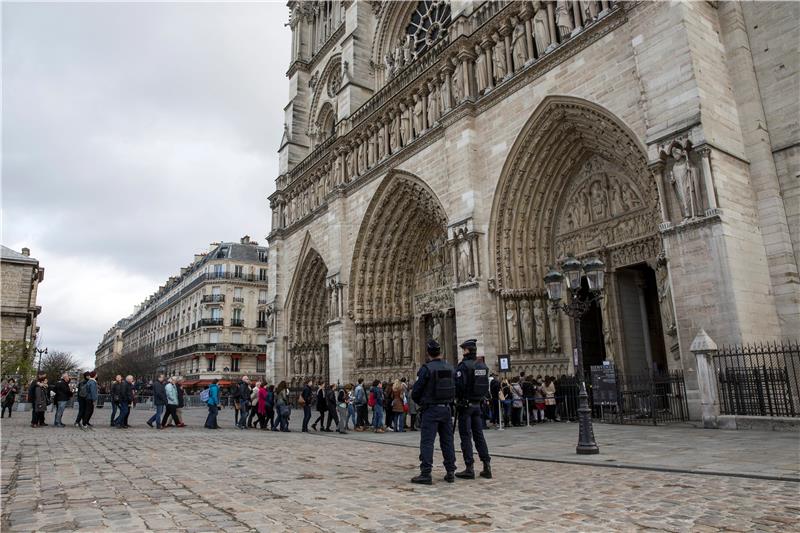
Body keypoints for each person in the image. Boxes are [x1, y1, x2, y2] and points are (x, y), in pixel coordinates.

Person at [411, 340, 457, 484]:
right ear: (440, 352)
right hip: (446, 409)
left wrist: (423, 403)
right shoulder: (450, 368)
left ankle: (426, 473)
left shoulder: (426, 369)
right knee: (447, 441)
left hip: (431, 409)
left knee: (427, 442)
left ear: (428, 353)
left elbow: (415, 392)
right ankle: (450, 471)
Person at [454, 339, 492, 480]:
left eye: (464, 350)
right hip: (478, 405)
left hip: (466, 406)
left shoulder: (464, 366)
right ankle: (486, 465)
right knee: (479, 436)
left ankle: (469, 467)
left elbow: (459, 386)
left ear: (467, 351)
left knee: (466, 436)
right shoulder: (481, 365)